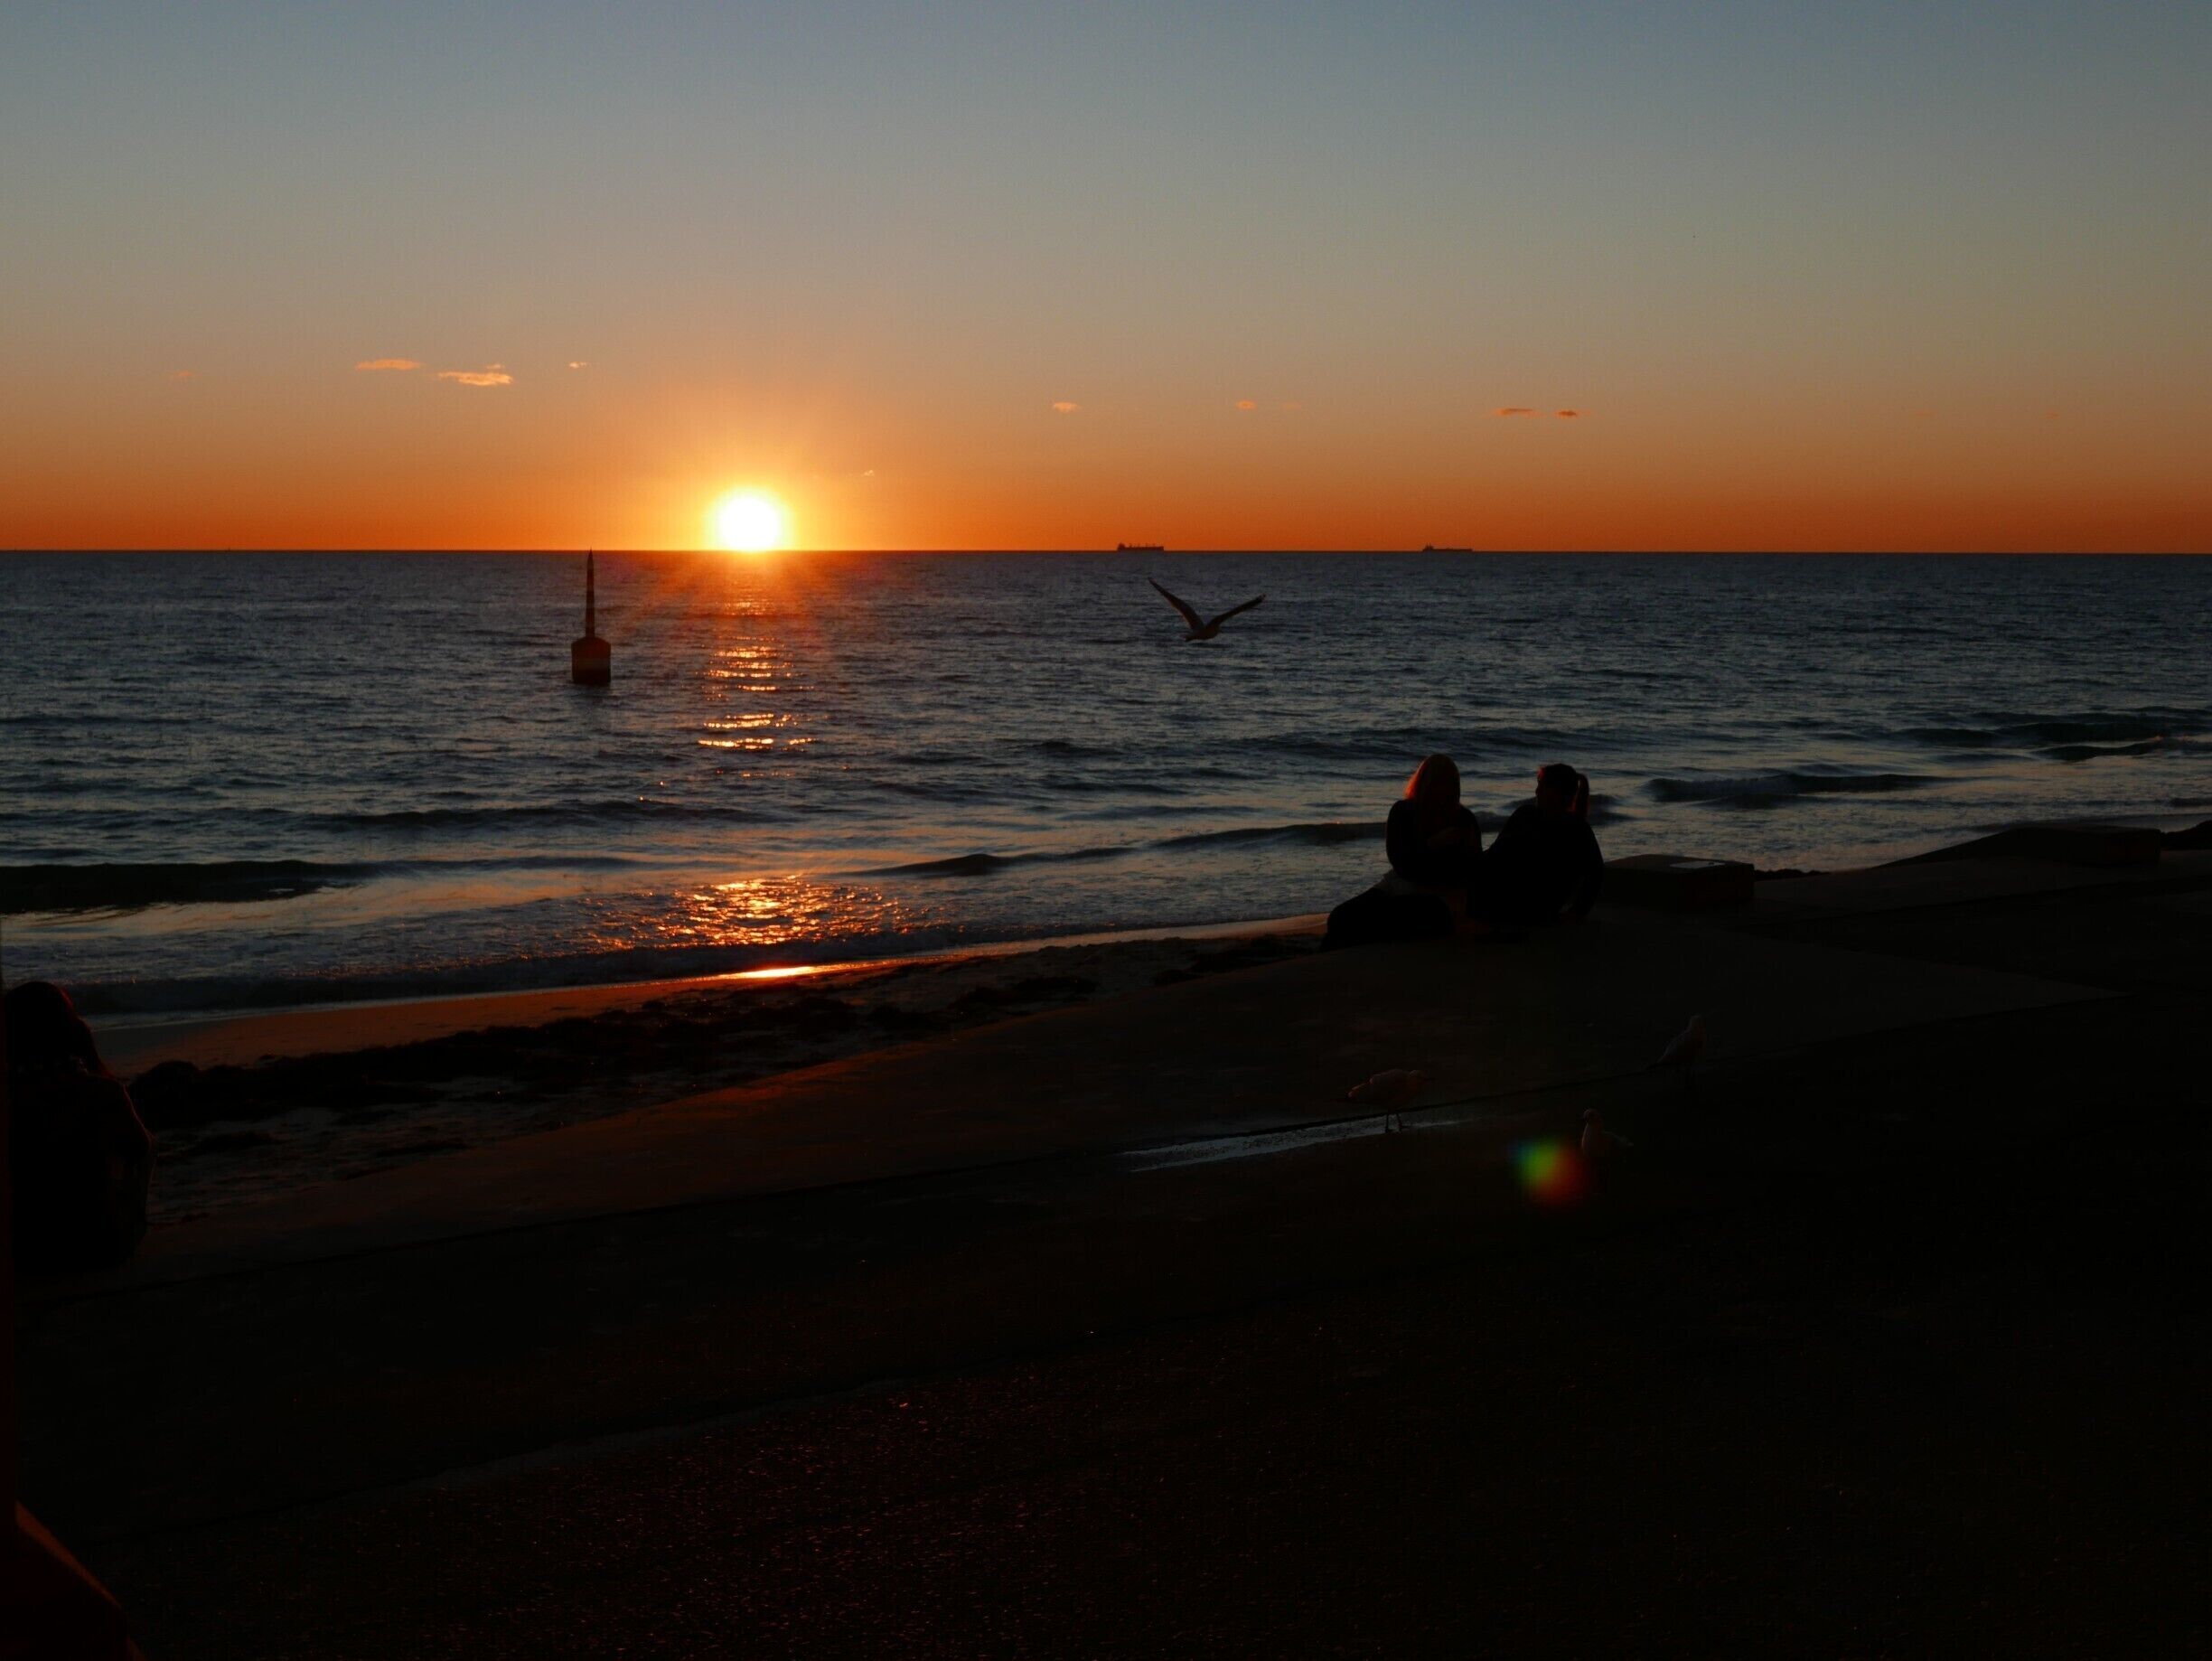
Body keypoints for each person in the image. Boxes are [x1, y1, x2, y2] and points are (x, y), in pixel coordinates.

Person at [5, 980, 155, 1271]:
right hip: (98, 1246)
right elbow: (139, 1149)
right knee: (146, 1143)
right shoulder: (102, 1092)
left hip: (21, 1251)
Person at [1483, 763, 1603, 925]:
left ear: (1561, 794)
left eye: (1544, 787)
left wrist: (1577, 912)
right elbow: (1495, 856)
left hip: (1525, 905)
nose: (1537, 792)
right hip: (1527, 902)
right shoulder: (1529, 815)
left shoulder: (1575, 829)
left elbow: (1595, 873)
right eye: (1538, 786)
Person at [1386, 753, 1484, 910]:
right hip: (1404, 884)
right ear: (1424, 784)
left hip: (1447, 891)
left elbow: (1473, 868)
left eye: (1449, 783)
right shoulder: (1403, 811)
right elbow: (1399, 861)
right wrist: (1432, 844)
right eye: (1437, 783)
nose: (1443, 789)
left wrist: (1467, 848)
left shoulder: (1464, 818)